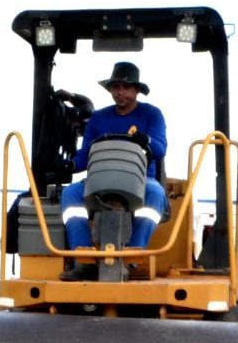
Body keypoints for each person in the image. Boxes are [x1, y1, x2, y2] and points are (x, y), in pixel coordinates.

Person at [59, 61, 169, 281]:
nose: (120, 92)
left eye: (126, 87)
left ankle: (132, 257)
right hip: (100, 178)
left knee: (155, 194)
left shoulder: (152, 115)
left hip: (140, 180)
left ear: (137, 90)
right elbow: (85, 154)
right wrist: (69, 165)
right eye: (116, 87)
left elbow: (160, 148)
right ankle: (84, 260)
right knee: (70, 194)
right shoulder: (99, 118)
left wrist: (145, 139)